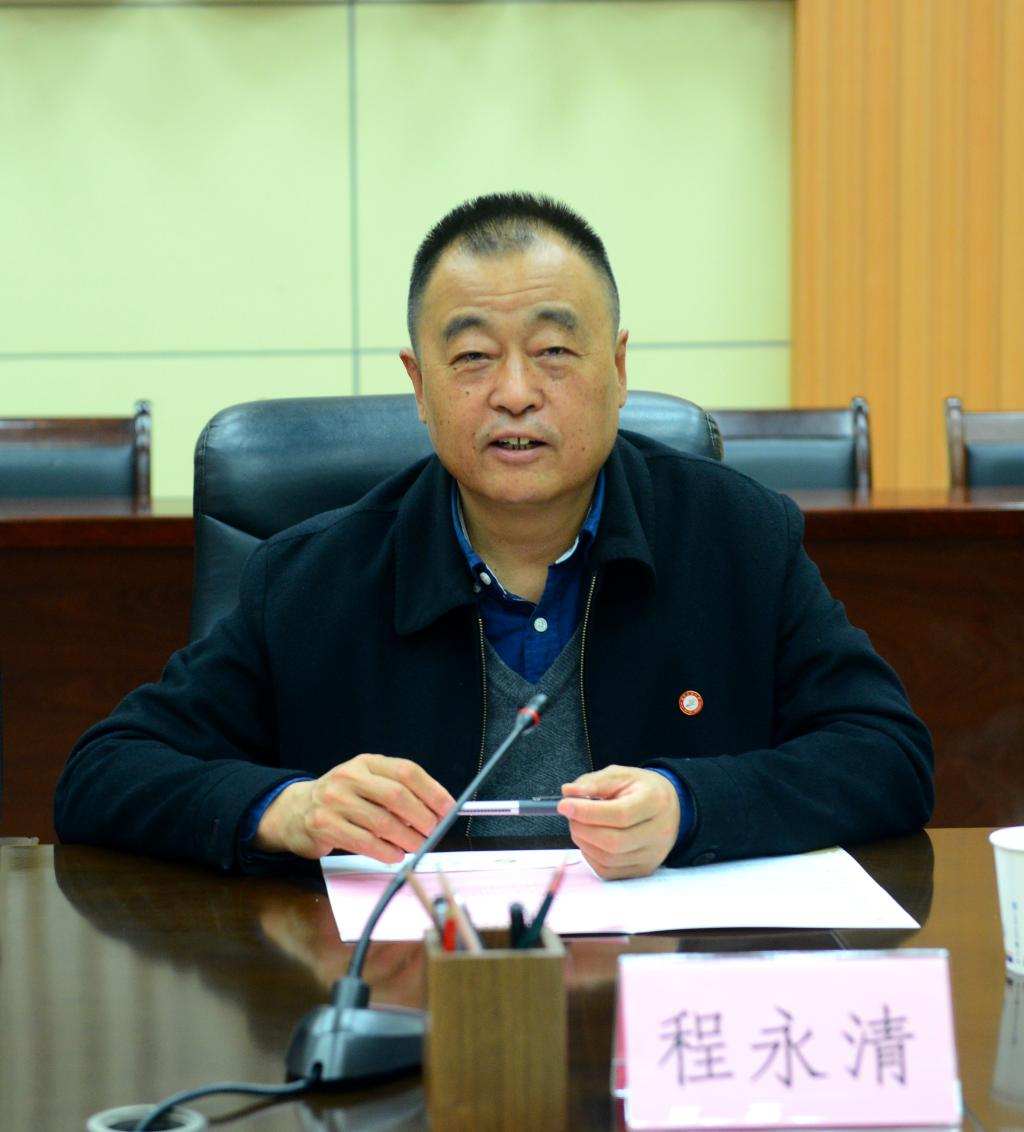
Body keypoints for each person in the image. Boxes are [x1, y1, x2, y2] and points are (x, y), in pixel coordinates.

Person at [54, 192, 934, 879]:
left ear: (617, 368)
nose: (515, 393)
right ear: (420, 385)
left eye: (555, 351)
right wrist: (289, 809)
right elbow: (104, 772)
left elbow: (888, 754)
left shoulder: (737, 536)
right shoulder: (314, 578)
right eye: (473, 357)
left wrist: (690, 802)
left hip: (658, 993)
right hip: (411, 1001)